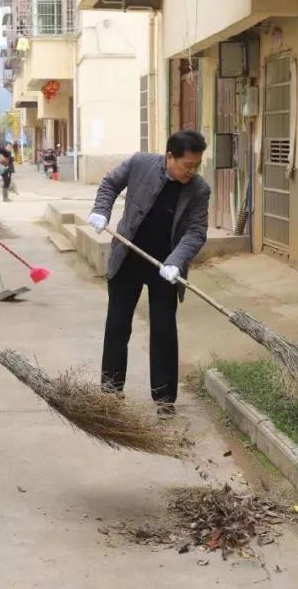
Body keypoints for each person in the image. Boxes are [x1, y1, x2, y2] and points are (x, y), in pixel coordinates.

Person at [86, 130, 210, 417]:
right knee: (118, 325)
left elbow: (196, 231)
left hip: (165, 268)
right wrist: (101, 210)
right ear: (169, 157)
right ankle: (111, 391)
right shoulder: (140, 163)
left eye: (196, 166)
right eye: (187, 165)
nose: (191, 172)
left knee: (164, 329)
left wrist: (176, 261)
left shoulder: (199, 190)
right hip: (128, 258)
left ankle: (164, 399)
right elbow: (110, 183)